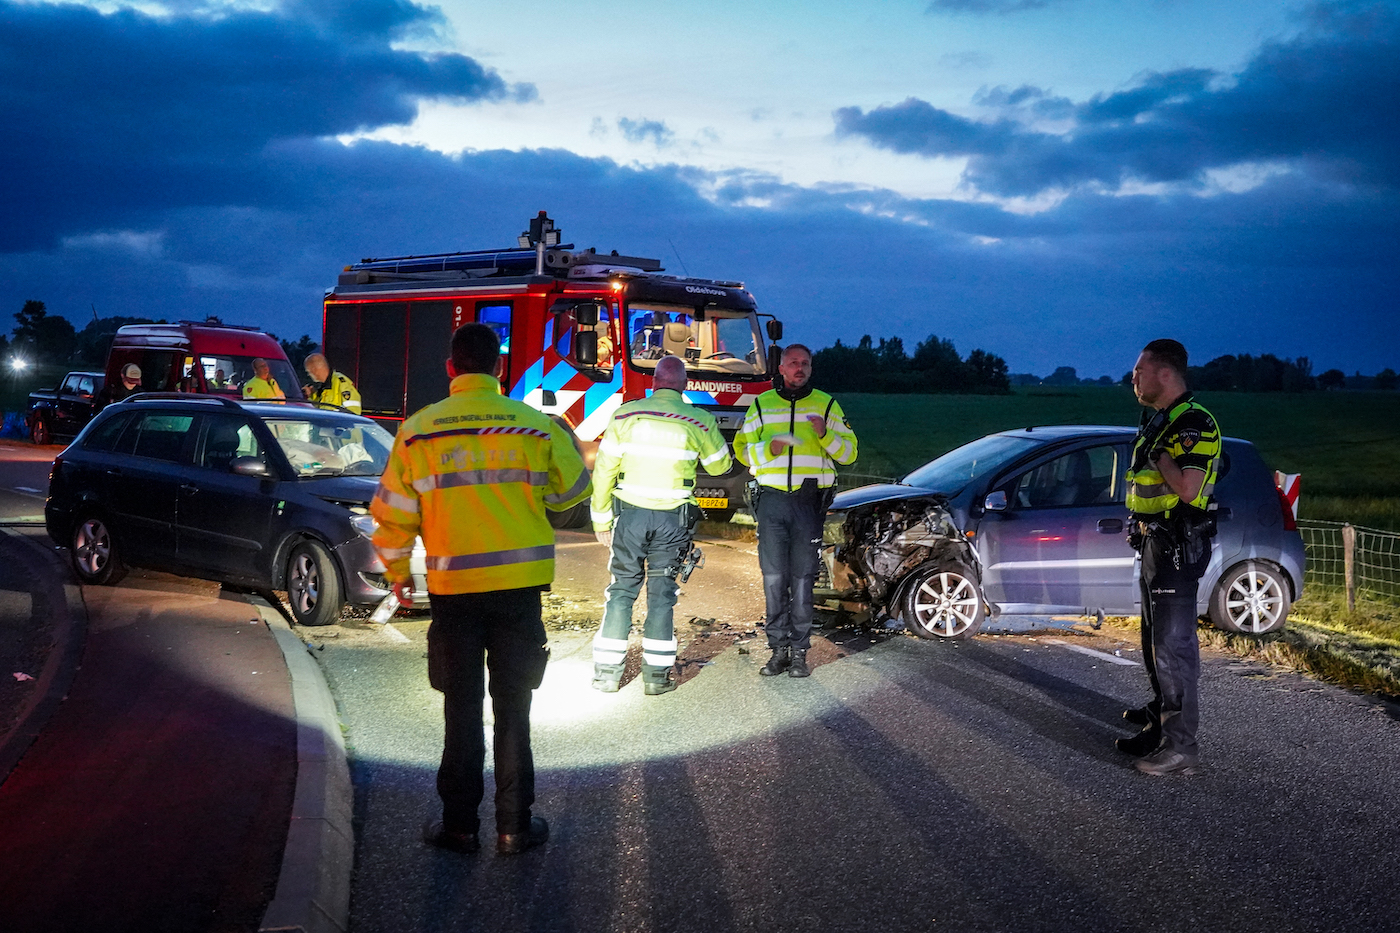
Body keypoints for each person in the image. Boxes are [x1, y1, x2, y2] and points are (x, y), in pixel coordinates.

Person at [371, 323, 591, 856]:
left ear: (451, 368)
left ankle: (460, 826)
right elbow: (574, 493)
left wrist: (400, 578)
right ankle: (515, 827)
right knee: (514, 709)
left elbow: (392, 519)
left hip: (453, 594)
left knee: (461, 710)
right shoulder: (535, 427)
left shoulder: (418, 432)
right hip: (519, 592)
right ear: (500, 369)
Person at [589, 355, 731, 695]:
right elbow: (719, 467)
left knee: (621, 591)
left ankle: (607, 674)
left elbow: (604, 469)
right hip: (672, 521)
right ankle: (656, 679)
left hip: (630, 516)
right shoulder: (698, 419)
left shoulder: (625, 414)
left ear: (654, 382)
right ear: (684, 385)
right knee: (662, 596)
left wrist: (601, 518)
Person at [1119, 338, 1222, 776]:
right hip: (1154, 543)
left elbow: (1187, 489)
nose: (1133, 378)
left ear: (1164, 374)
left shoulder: (1193, 423)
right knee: (1153, 644)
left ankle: (1182, 749)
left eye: (1140, 370)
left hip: (1178, 548)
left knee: (1174, 650)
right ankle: (1161, 730)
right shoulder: (1162, 421)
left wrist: (1158, 452)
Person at [735, 343, 858, 678]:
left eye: (805, 363)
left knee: (803, 578)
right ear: (782, 368)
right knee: (774, 578)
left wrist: (824, 434)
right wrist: (768, 448)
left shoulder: (826, 404)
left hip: (808, 500)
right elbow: (743, 451)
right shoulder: (762, 405)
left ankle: (800, 652)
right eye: (793, 363)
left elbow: (848, 454)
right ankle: (778, 651)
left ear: (810, 369)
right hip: (772, 500)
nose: (799, 368)